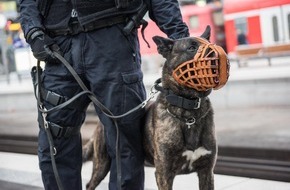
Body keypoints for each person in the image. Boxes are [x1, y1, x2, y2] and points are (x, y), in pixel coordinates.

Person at [18, 0, 189, 189]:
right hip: (58, 48)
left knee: (124, 139)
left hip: (113, 42)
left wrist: (180, 38)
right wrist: (33, 32)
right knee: (54, 139)